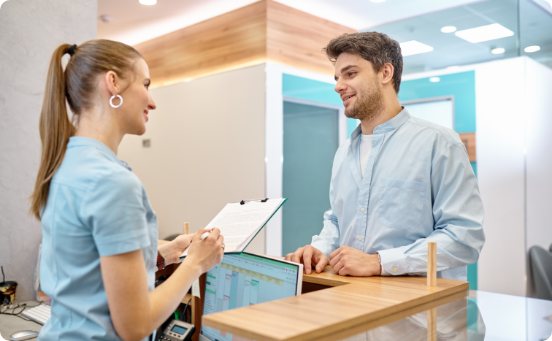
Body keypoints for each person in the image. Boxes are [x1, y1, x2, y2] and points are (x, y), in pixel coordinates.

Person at [29, 40, 224, 341]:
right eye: (146, 84)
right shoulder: (113, 182)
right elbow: (135, 325)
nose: (152, 101)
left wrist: (168, 253)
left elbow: (89, 268)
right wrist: (196, 263)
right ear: (113, 83)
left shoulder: (66, 163)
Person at [285, 32, 485, 281]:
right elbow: (336, 221)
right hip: (353, 302)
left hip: (420, 314)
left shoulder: (440, 144)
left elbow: (464, 238)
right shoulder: (343, 153)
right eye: (337, 78)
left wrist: (379, 262)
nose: (338, 86)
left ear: (385, 73)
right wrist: (320, 249)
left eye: (350, 73)